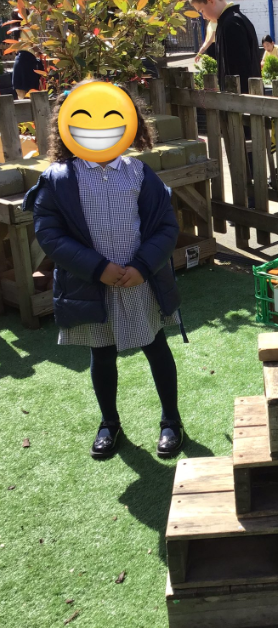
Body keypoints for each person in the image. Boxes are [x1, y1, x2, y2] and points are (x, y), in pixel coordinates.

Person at [24, 80, 185, 459]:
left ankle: (171, 420)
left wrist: (142, 267)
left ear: (129, 123)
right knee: (102, 353)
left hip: (138, 283)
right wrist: (98, 268)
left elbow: (165, 226)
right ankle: (109, 423)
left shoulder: (138, 173)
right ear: (67, 126)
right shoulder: (58, 180)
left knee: (155, 346)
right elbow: (50, 235)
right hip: (91, 285)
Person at [189, 0, 259, 93]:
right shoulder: (232, 21)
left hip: (241, 96)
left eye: (202, 11)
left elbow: (238, 70)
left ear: (211, 1)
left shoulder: (231, 24)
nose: (203, 17)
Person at [9, 9, 44, 99]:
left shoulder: (17, 31)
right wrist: (41, 52)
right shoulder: (28, 29)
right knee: (32, 96)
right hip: (28, 62)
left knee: (21, 98)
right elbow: (34, 46)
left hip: (19, 62)